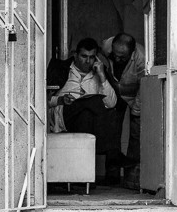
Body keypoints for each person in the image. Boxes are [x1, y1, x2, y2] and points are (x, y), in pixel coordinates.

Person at [49, 38, 130, 184]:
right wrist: (60, 100)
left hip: (86, 120)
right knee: (95, 103)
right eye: (84, 56)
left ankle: (84, 180)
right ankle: (113, 153)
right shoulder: (61, 68)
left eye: (92, 57)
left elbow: (112, 103)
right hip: (65, 114)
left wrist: (102, 76)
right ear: (75, 55)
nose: (88, 61)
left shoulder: (98, 73)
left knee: (90, 112)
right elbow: (42, 100)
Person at [99, 33, 145, 163]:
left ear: (132, 52)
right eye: (115, 55)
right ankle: (113, 169)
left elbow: (143, 87)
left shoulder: (142, 58)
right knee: (112, 132)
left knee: (135, 133)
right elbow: (99, 56)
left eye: (122, 57)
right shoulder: (106, 46)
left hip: (135, 96)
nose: (118, 59)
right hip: (116, 92)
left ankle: (132, 170)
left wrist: (136, 110)